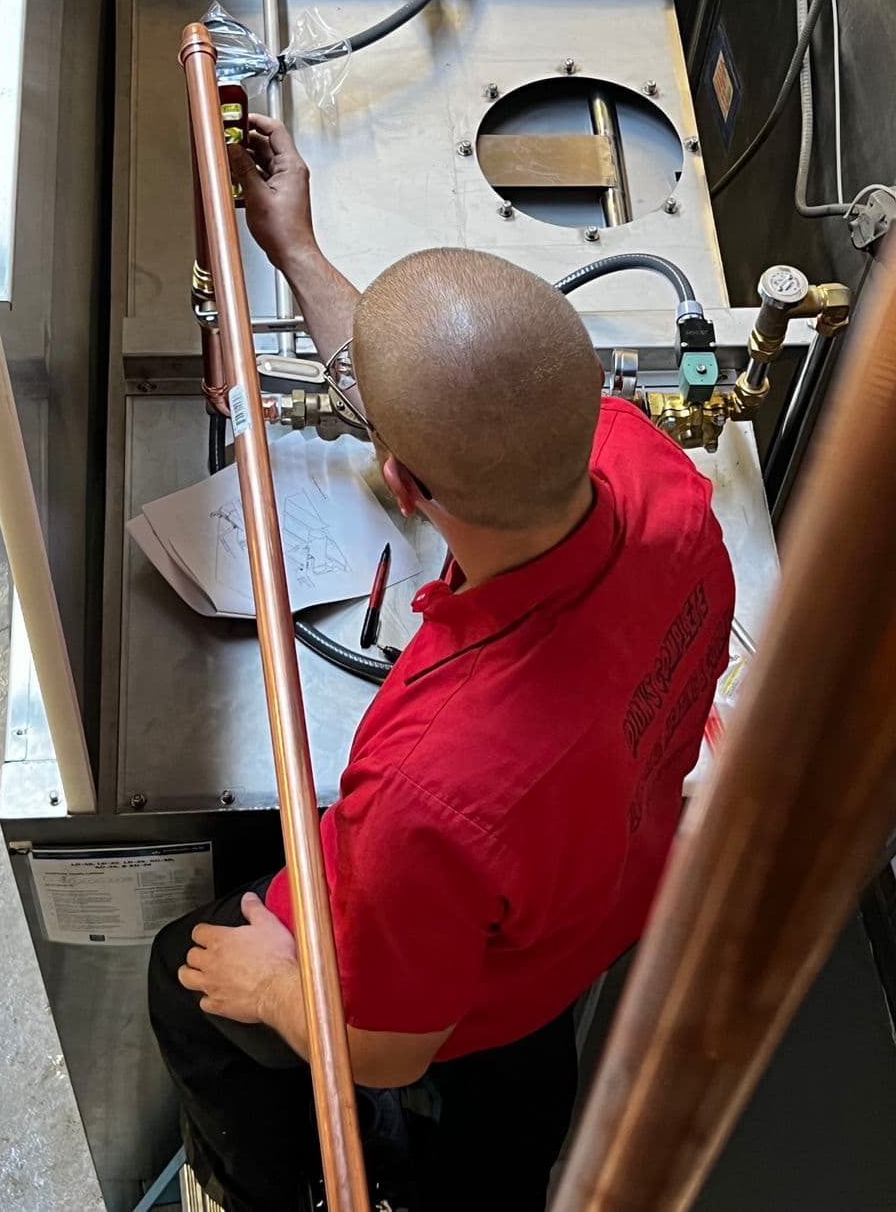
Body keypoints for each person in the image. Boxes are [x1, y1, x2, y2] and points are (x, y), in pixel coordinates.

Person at [148, 115, 736, 1212]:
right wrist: (299, 252)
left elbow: (388, 1047)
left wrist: (278, 989)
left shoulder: (431, 790)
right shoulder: (654, 475)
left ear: (403, 491)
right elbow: (449, 404)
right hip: (587, 911)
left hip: (445, 981)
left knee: (187, 980)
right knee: (508, 1088)